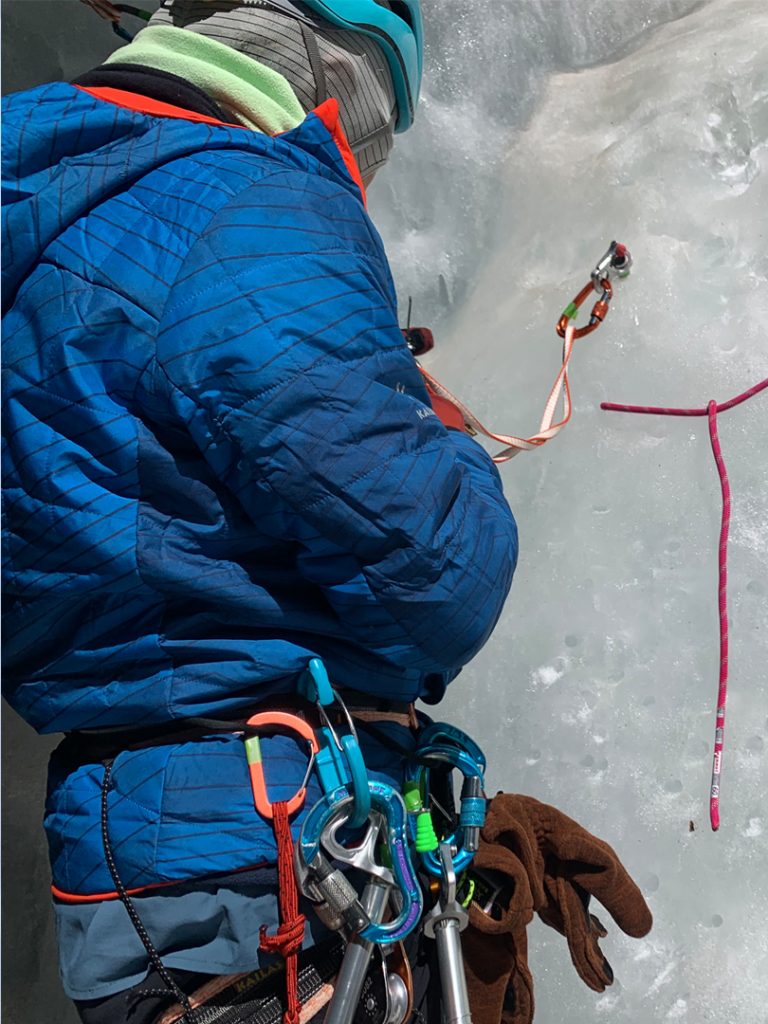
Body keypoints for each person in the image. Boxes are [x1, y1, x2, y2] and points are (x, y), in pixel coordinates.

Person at [2, 3, 651, 1021]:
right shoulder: (252, 203)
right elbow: (436, 565)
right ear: (326, 78)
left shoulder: (43, 199)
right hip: (274, 862)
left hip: (131, 862)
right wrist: (435, 431)